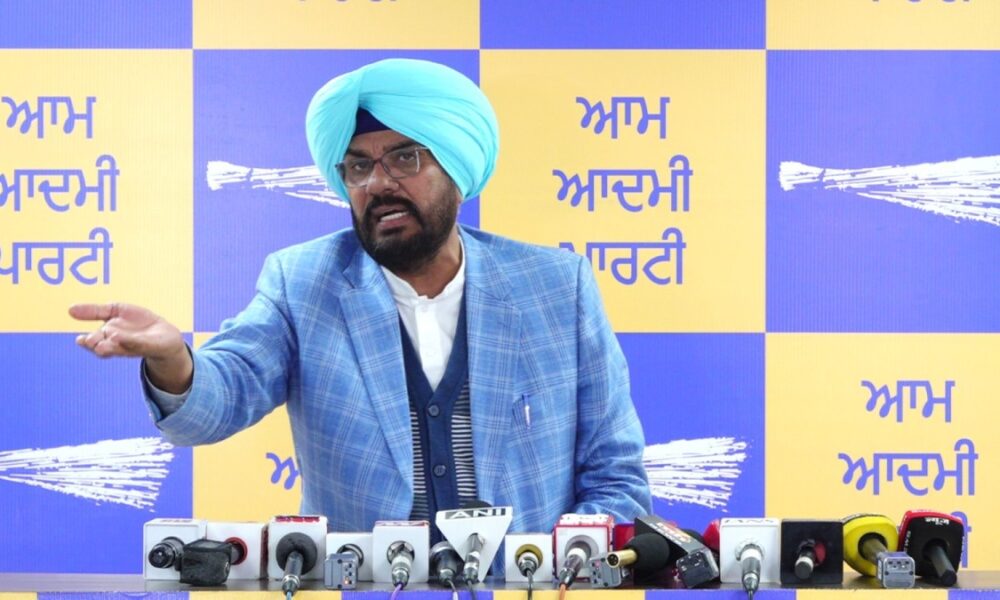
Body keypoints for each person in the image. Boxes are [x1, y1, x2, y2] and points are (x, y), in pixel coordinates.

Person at [70, 59, 651, 557]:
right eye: (358, 166)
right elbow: (220, 398)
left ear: (455, 168)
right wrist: (174, 360)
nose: (378, 183)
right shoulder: (303, 282)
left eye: (405, 158)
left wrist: (564, 561)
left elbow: (616, 475)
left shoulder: (556, 287)